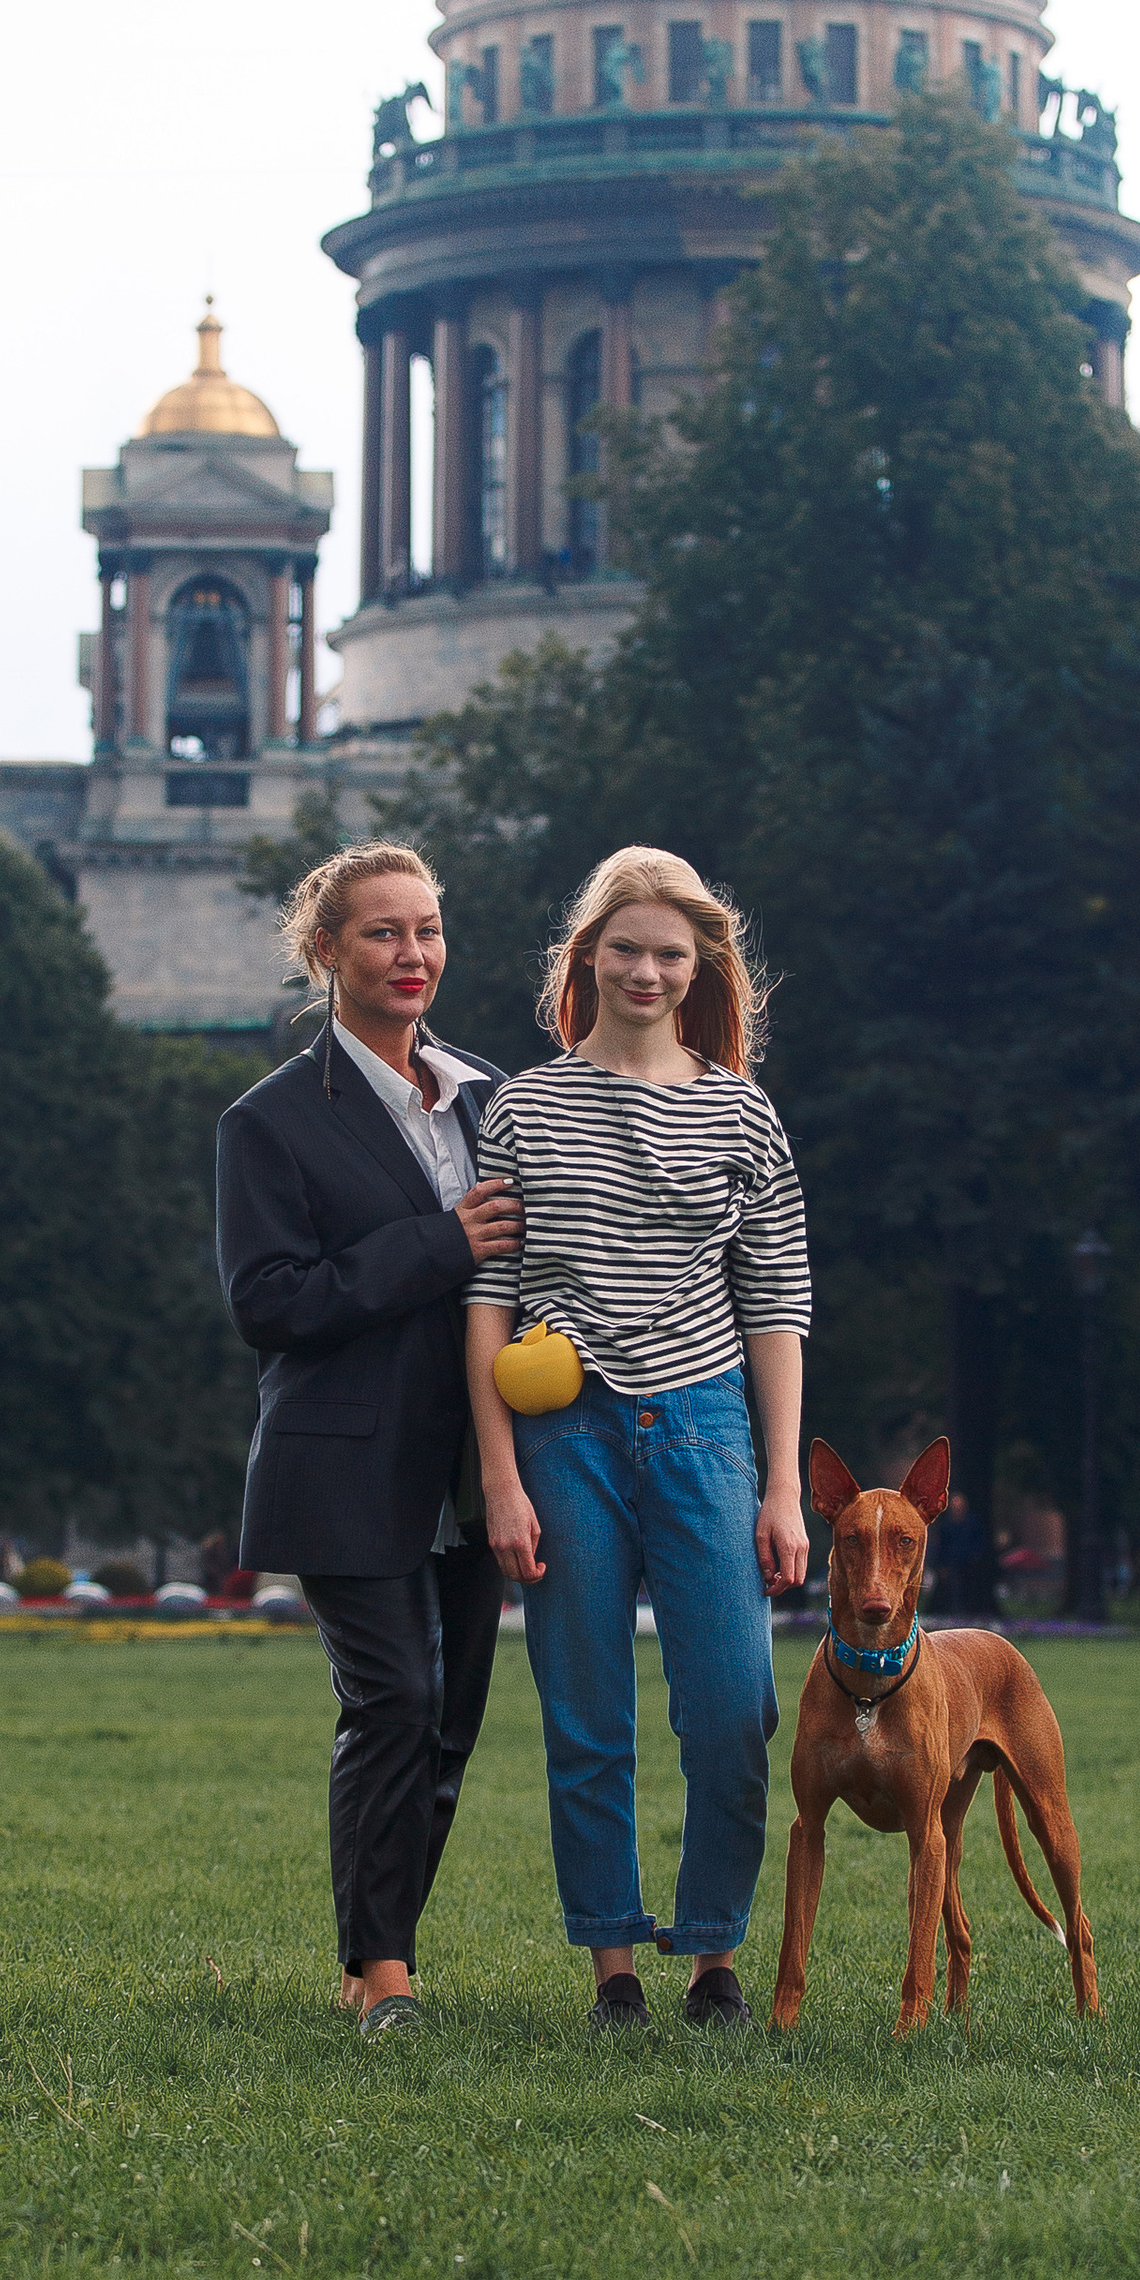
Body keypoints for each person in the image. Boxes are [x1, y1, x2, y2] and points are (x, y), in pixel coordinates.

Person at [464, 847, 810, 2037]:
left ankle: (712, 1946)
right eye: (627, 949)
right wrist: (499, 1474)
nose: (648, 971)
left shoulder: (741, 1111)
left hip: (707, 1424)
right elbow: (487, 1298)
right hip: (564, 1431)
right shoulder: (524, 1103)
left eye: (671, 953)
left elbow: (776, 1305)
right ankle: (611, 1961)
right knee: (584, 1708)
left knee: (732, 1709)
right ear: (588, 958)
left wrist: (782, 1486)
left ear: (700, 966)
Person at [214, 843, 519, 2043]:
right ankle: (385, 1974)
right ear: (325, 951)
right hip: (343, 1461)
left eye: (429, 930)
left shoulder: (495, 1096)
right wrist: (443, 1244)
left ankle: (372, 1953)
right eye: (384, 933)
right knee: (392, 1698)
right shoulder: (269, 1123)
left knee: (449, 1722)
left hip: (481, 1461)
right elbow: (271, 1302)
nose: (413, 955)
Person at [927, 1489, 990, 1618]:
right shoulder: (946, 1526)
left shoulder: (972, 1524)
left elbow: (980, 1543)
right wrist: (941, 1565)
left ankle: (971, 1613)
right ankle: (955, 1613)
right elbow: (942, 1547)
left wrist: (975, 1557)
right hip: (952, 1564)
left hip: (969, 1564)